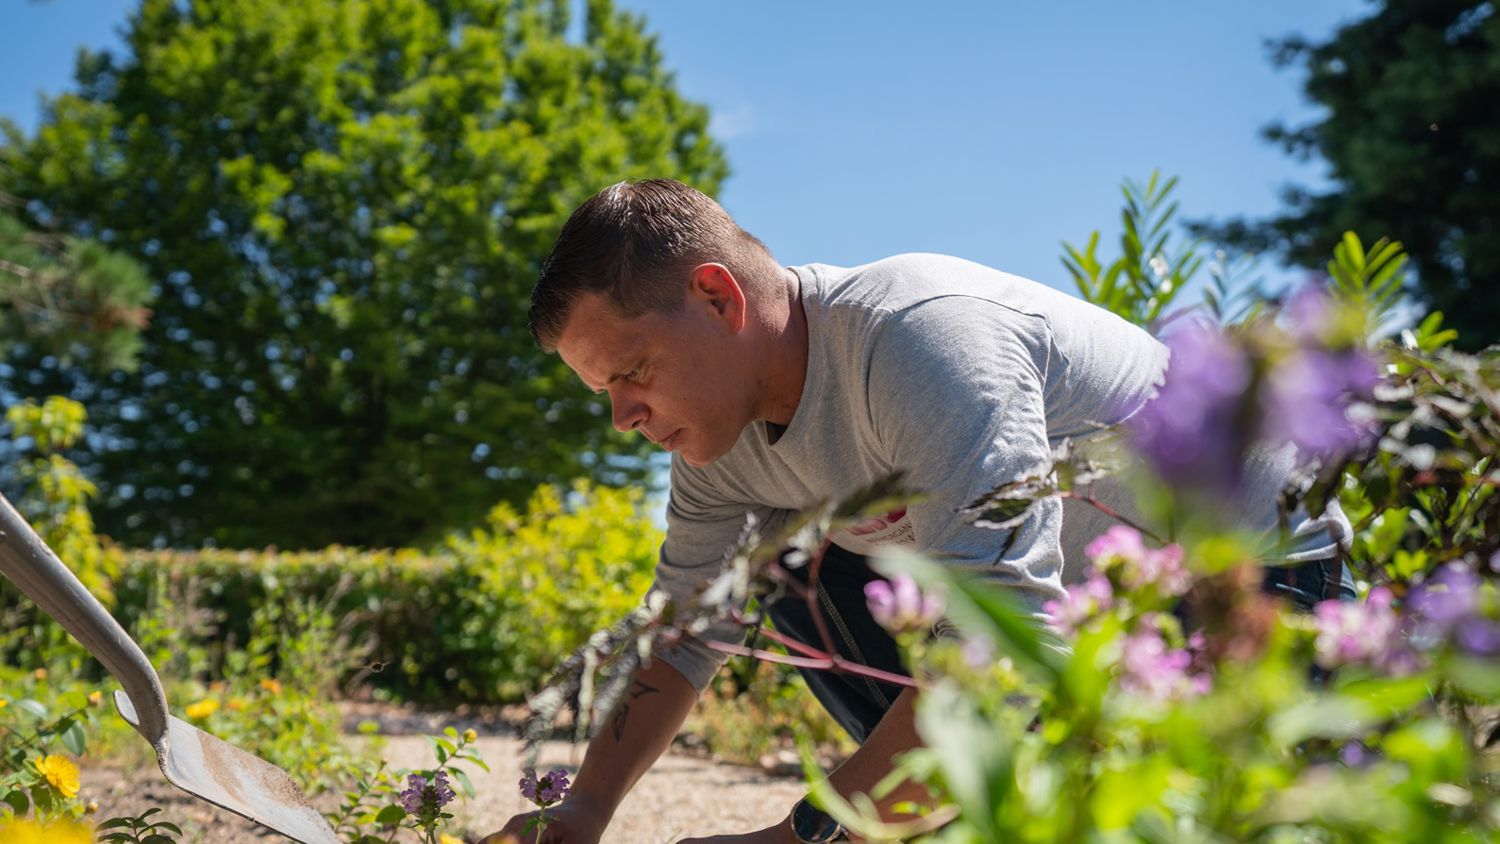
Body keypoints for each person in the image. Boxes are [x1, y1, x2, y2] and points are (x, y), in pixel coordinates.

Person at [486, 179, 1351, 844]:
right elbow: (683, 635)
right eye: (604, 392)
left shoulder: (921, 336)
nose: (625, 418)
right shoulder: (718, 443)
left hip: (1248, 579)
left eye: (631, 372)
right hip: (1075, 626)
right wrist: (581, 813)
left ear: (719, 297)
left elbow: (998, 653)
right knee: (788, 568)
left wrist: (801, 835)